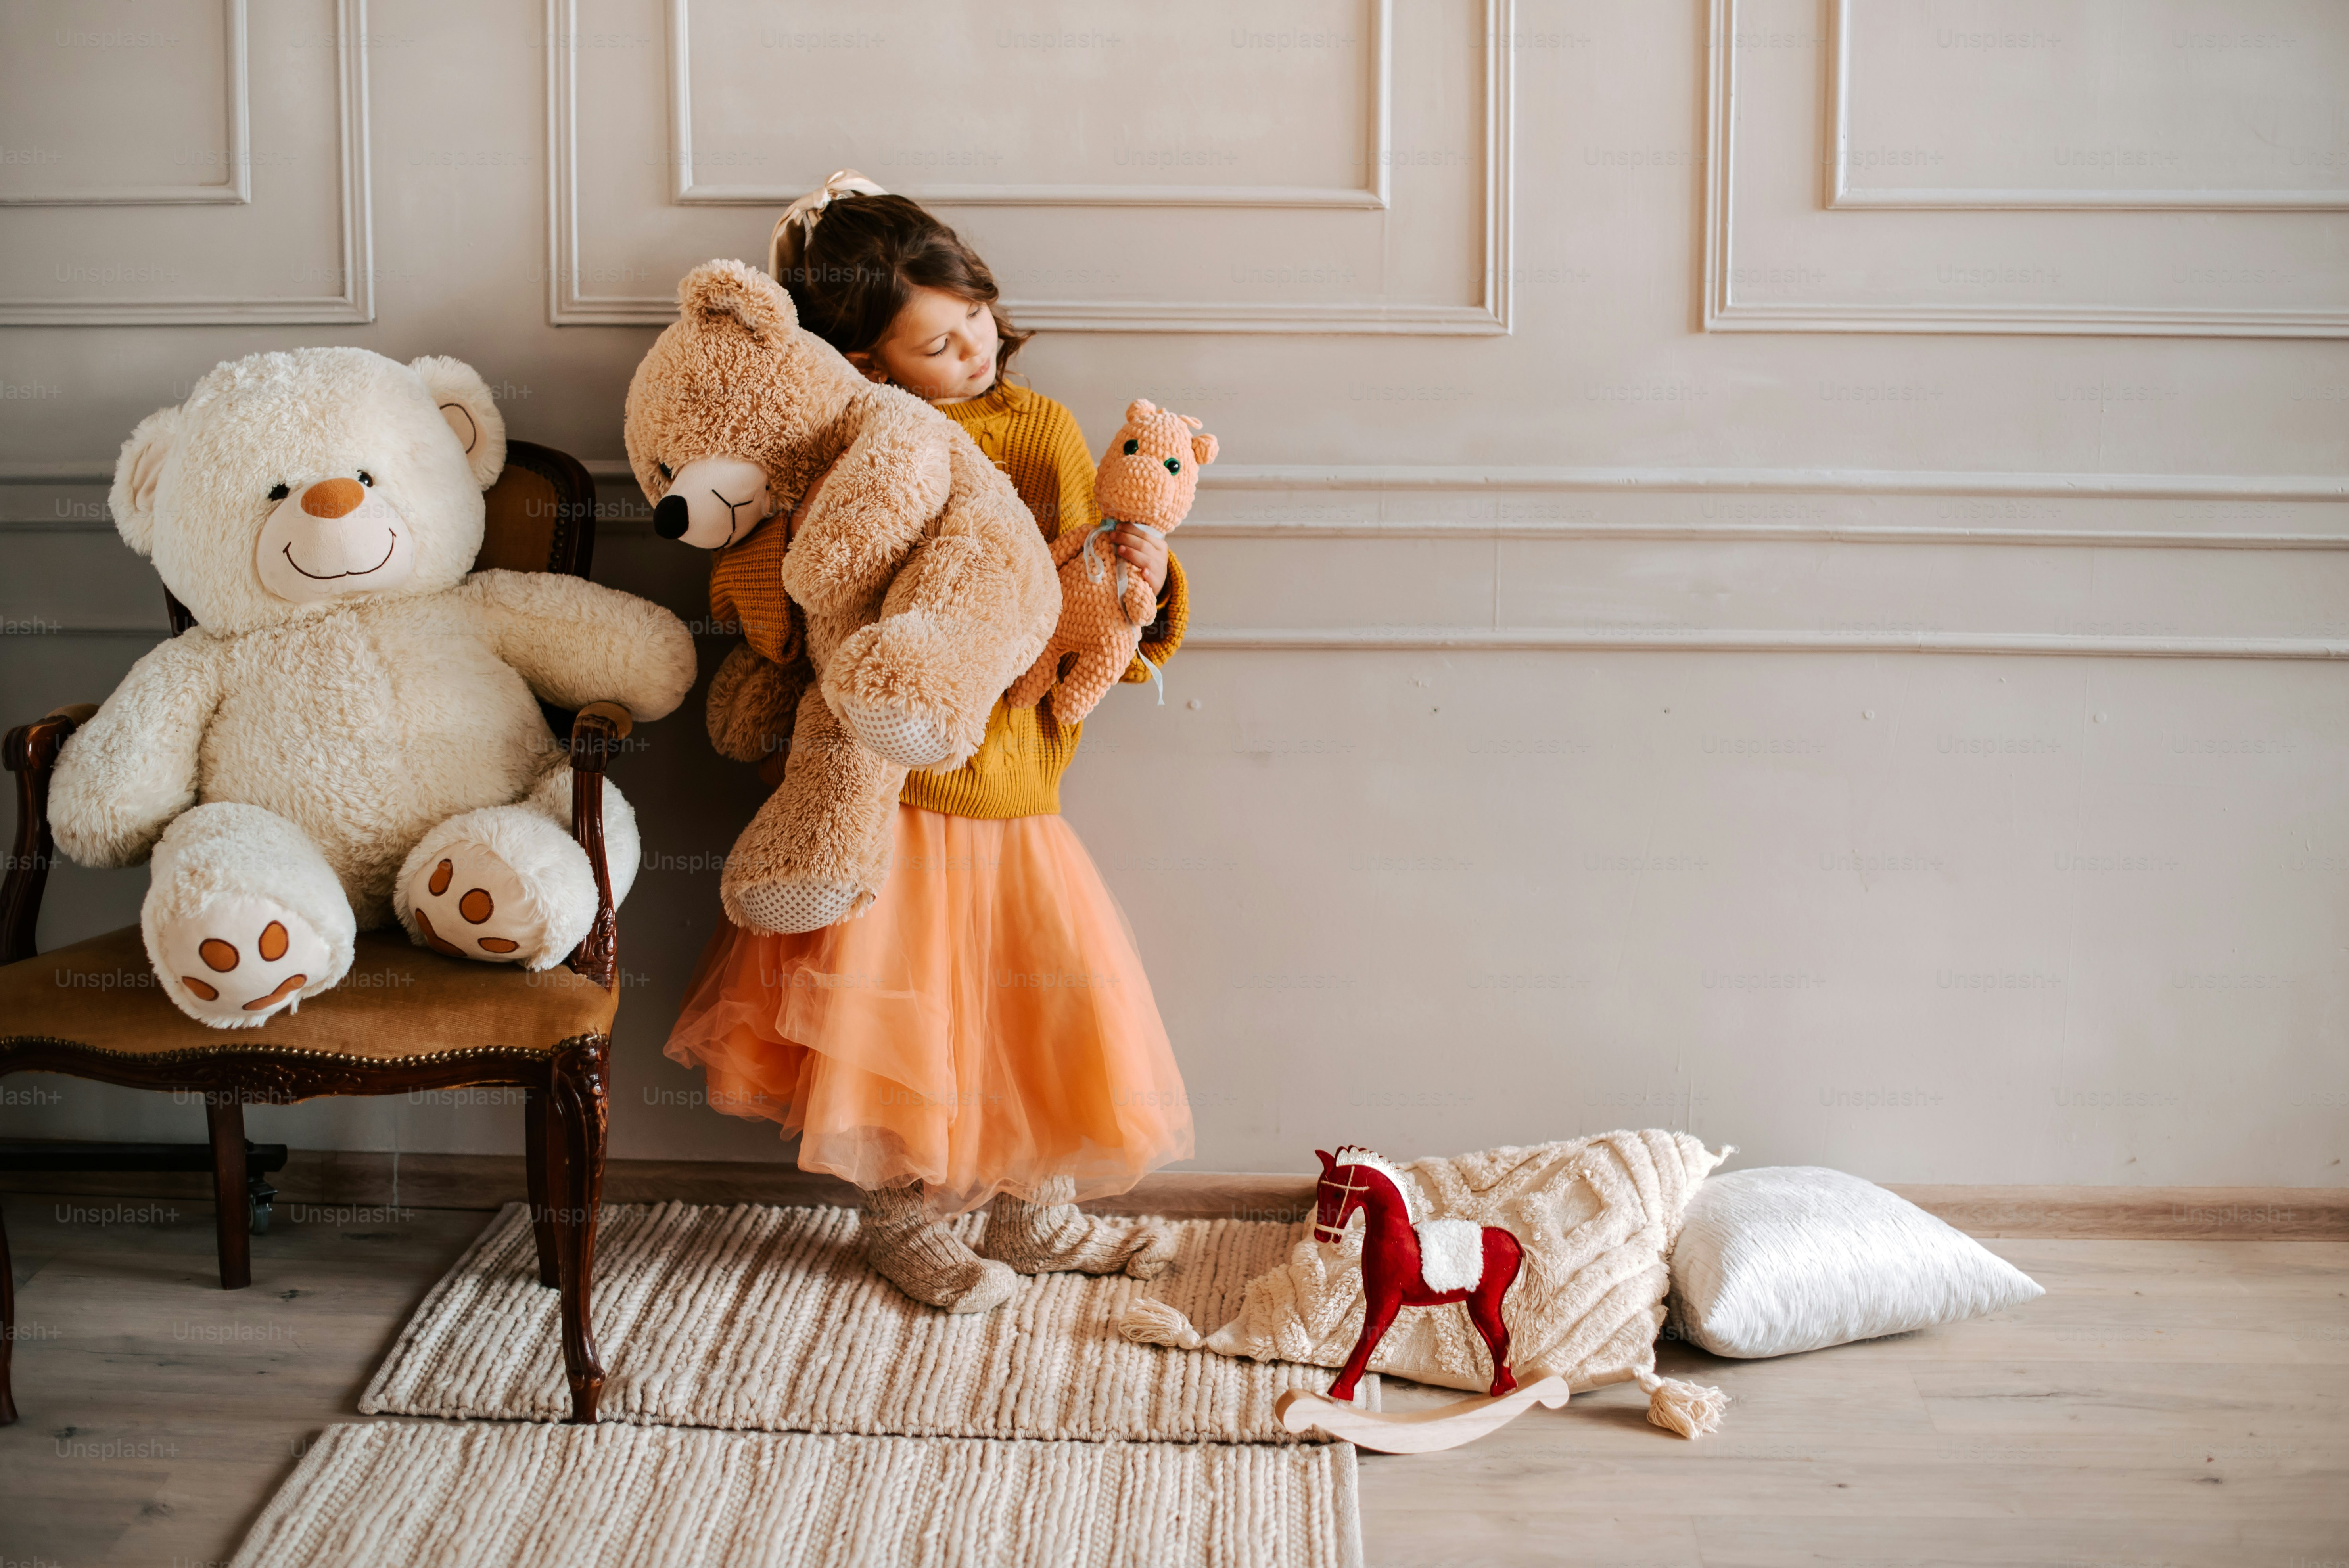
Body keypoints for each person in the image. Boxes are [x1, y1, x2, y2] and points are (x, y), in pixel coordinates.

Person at [662, 172, 1196, 1314]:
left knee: (1032, 998)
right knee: (895, 1009)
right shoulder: (835, 446)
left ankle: (1033, 1210)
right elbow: (760, 585)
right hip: (884, 784)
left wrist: (1140, 583)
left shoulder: (1035, 424)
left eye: (975, 324)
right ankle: (903, 1217)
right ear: (865, 366)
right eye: (938, 347)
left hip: (1004, 763)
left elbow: (1083, 559)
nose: (974, 353)